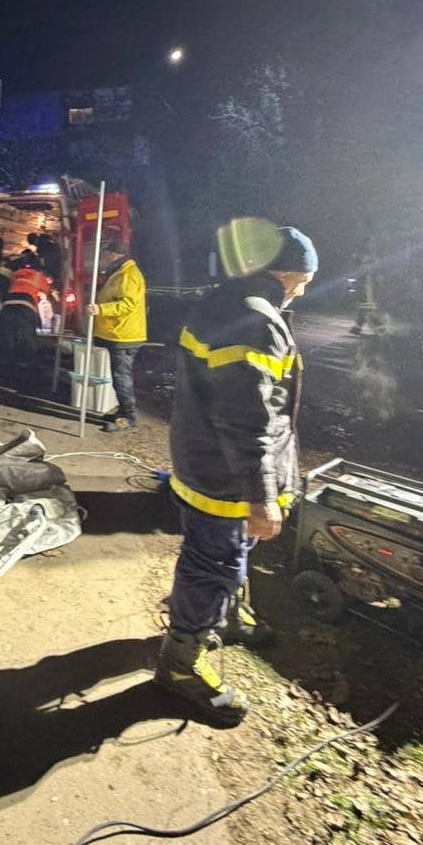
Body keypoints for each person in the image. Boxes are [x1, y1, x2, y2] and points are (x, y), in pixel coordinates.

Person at [155, 224, 318, 727]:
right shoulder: (256, 321)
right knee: (213, 565)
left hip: (205, 462)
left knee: (226, 554)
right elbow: (248, 419)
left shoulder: (226, 302)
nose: (303, 290)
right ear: (286, 273)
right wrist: (261, 495)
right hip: (227, 480)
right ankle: (180, 663)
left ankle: (222, 617)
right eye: (304, 280)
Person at [84, 235, 146, 432]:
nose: (103, 258)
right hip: (117, 333)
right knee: (119, 377)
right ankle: (123, 410)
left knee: (121, 378)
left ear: (113, 255)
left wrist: (100, 309)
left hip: (124, 335)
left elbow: (127, 304)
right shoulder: (119, 272)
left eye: (105, 254)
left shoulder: (128, 275)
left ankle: (129, 417)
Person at [0, 257, 53, 360]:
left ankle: (9, 360)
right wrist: (44, 326)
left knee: (8, 336)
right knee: (29, 337)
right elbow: (44, 301)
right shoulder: (41, 278)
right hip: (26, 308)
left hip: (7, 307)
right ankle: (31, 360)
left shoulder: (16, 274)